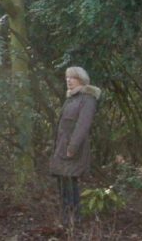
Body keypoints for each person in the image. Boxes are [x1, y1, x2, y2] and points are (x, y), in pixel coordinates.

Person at [49, 66, 100, 227]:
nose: (68, 81)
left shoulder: (87, 99)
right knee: (63, 182)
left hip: (73, 149)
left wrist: (73, 147)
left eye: (72, 77)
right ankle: (66, 218)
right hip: (62, 148)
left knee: (71, 182)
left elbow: (83, 126)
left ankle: (74, 219)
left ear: (81, 80)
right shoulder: (71, 98)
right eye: (67, 78)